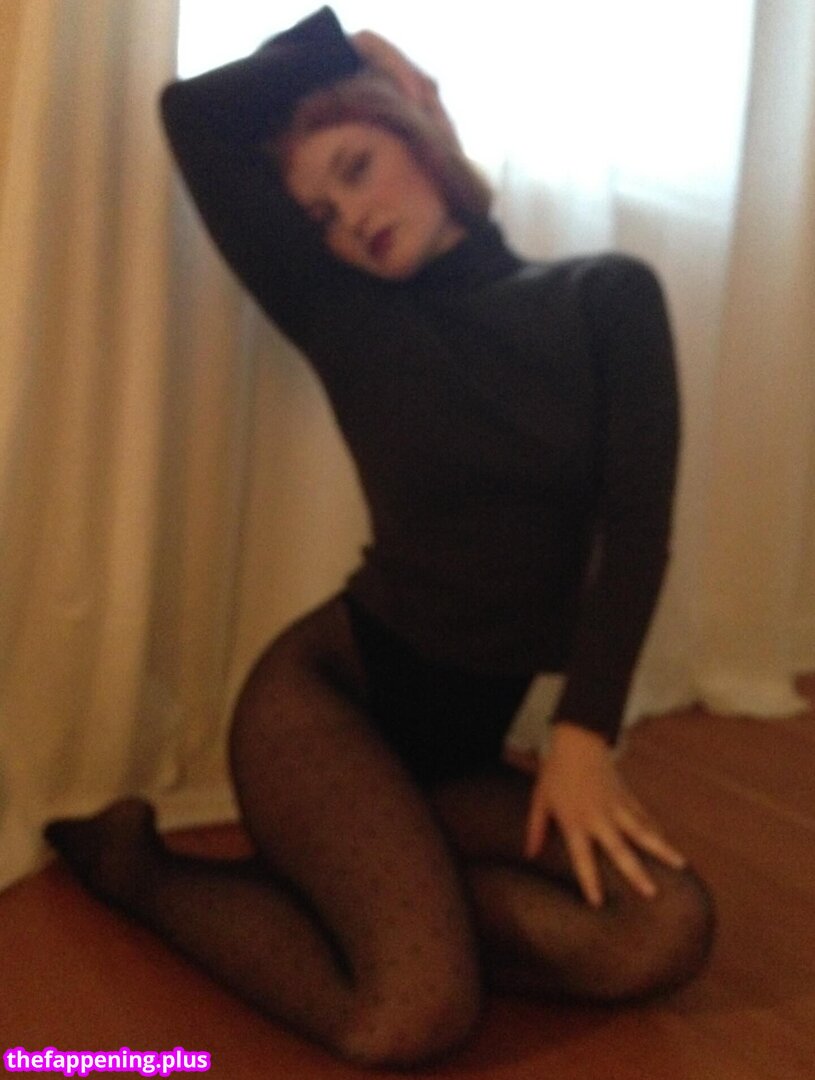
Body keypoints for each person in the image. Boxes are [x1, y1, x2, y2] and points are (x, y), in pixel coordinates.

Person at [45, 7, 715, 1070]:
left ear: (424, 138)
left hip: (453, 760)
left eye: (357, 169)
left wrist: (583, 738)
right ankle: (138, 870)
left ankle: (362, 896)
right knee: (406, 1018)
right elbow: (196, 116)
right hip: (326, 713)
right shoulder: (348, 316)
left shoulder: (603, 298)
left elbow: (635, 527)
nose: (348, 218)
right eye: (320, 211)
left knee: (663, 930)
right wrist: (351, 48)